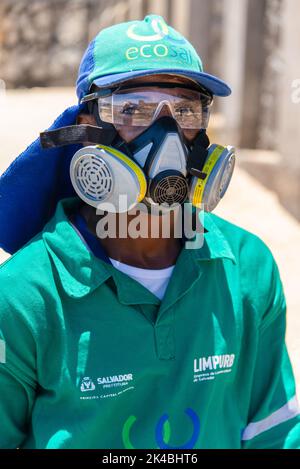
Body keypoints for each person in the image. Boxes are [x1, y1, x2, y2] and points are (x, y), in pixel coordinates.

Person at [0, 14, 299, 450]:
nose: (169, 137)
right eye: (133, 110)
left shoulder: (247, 268)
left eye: (185, 110)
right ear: (86, 128)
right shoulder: (25, 297)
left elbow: (273, 432)